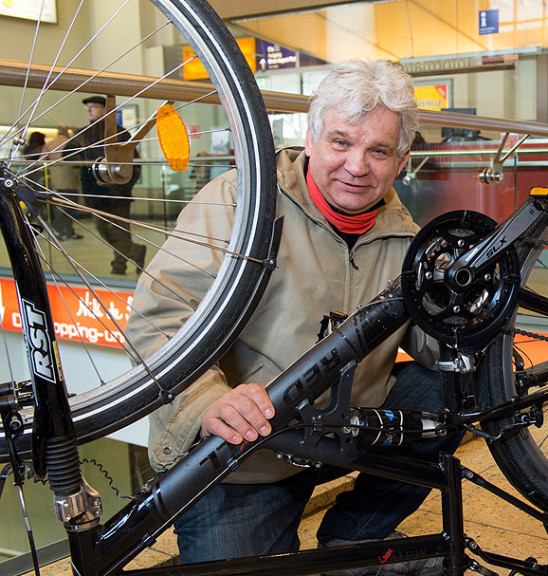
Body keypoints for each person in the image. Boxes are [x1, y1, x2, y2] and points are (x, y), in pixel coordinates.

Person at [125, 60, 453, 571]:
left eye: (378, 150)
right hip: (241, 456)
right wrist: (207, 399)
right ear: (310, 136)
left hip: (340, 434)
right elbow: (160, 315)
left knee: (454, 389)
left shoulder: (408, 239)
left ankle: (352, 541)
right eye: (341, 142)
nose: (357, 166)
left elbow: (437, 345)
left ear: (401, 159)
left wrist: (469, 310)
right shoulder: (241, 201)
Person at [76, 95, 145, 274]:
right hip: (94, 191)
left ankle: (119, 265)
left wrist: (122, 186)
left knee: (119, 230)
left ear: (105, 110)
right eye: (88, 107)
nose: (89, 110)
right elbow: (67, 156)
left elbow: (133, 163)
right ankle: (136, 251)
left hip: (117, 191)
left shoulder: (119, 133)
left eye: (94, 107)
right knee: (105, 229)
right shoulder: (82, 135)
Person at [44, 125, 84, 240]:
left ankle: (69, 232)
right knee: (70, 205)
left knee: (62, 206)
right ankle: (57, 227)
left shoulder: (50, 144)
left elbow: (42, 159)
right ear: (67, 132)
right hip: (69, 178)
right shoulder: (70, 143)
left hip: (55, 180)